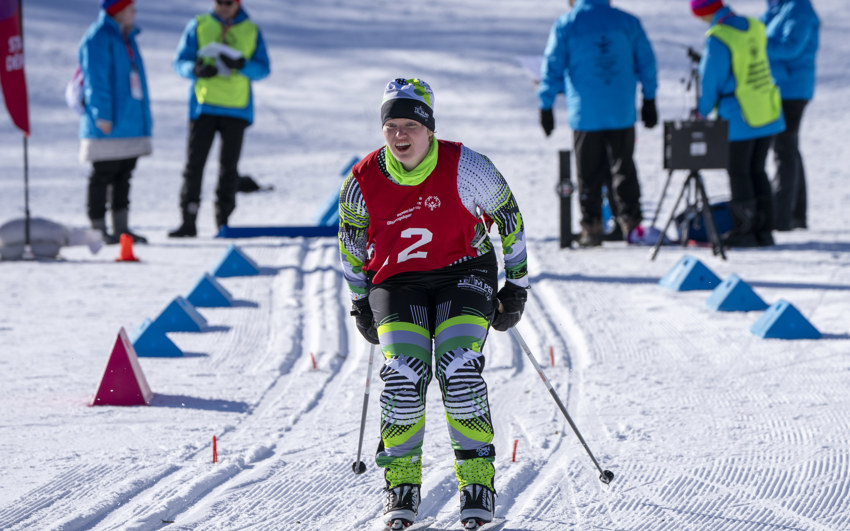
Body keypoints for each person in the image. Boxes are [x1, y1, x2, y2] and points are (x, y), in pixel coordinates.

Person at [338, 78, 529, 530]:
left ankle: (476, 482)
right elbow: (350, 244)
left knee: (458, 367)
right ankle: (401, 484)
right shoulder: (362, 179)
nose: (400, 136)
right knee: (404, 373)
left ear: (429, 128)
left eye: (410, 125)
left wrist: (516, 286)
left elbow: (510, 221)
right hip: (397, 280)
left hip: (463, 272)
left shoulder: (468, 167)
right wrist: (360, 301)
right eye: (391, 126)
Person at [538, 0, 658, 248]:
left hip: (586, 113)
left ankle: (592, 227)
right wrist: (649, 98)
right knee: (624, 165)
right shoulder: (627, 22)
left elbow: (553, 64)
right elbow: (646, 61)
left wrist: (546, 104)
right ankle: (630, 223)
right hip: (621, 110)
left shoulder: (567, 24)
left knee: (588, 172)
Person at [168, 0, 270, 238]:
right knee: (194, 165)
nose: (223, 7)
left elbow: (263, 68)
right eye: (219, 2)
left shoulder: (251, 29)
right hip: (203, 107)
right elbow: (180, 61)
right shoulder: (199, 25)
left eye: (228, 2)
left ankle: (223, 220)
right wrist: (195, 69)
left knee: (229, 168)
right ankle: (188, 219)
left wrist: (242, 64)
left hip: (236, 108)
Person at [691, 0, 786, 247]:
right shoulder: (754, 26)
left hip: (739, 113)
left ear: (704, 12)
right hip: (766, 108)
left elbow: (711, 80)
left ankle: (744, 230)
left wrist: (701, 111)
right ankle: (764, 230)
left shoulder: (719, 37)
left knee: (739, 171)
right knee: (758, 169)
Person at [78, 0, 151, 244]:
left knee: (124, 175)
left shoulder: (127, 37)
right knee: (102, 175)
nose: (136, 13)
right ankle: (97, 230)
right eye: (131, 8)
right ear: (118, 11)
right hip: (109, 122)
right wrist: (102, 114)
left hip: (129, 120)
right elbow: (95, 80)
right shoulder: (98, 37)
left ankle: (122, 228)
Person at [762, 0, 819, 231]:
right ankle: (795, 213)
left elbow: (791, 47)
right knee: (788, 149)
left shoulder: (799, 9)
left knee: (784, 150)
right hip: (779, 87)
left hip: (791, 89)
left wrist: (758, 44)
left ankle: (783, 216)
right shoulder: (777, 9)